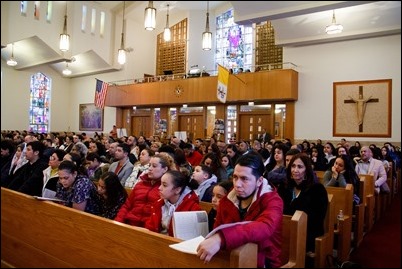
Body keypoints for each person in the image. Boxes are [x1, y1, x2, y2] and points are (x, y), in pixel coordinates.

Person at [196, 152, 283, 268]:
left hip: (263, 261)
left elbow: (264, 226)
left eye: (244, 179)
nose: (237, 184)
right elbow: (217, 229)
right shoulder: (227, 200)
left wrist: (221, 238)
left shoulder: (273, 200)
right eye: (235, 177)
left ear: (259, 181)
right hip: (230, 259)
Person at [277, 153, 328, 265]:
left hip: (307, 234)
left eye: (300, 167)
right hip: (285, 231)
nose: (295, 170)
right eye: (293, 166)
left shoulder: (317, 189)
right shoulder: (284, 187)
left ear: (307, 170)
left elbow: (317, 219)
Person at [114, 154, 172, 227]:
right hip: (129, 223)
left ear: (165, 169)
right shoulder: (140, 185)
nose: (150, 169)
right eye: (149, 165)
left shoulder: (166, 189)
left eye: (154, 166)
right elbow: (127, 206)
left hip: (148, 229)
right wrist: (117, 222)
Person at [145, 170, 201, 236]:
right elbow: (150, 228)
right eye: (160, 184)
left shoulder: (193, 208)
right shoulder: (158, 204)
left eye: (164, 185)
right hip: (158, 241)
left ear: (177, 190)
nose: (159, 188)